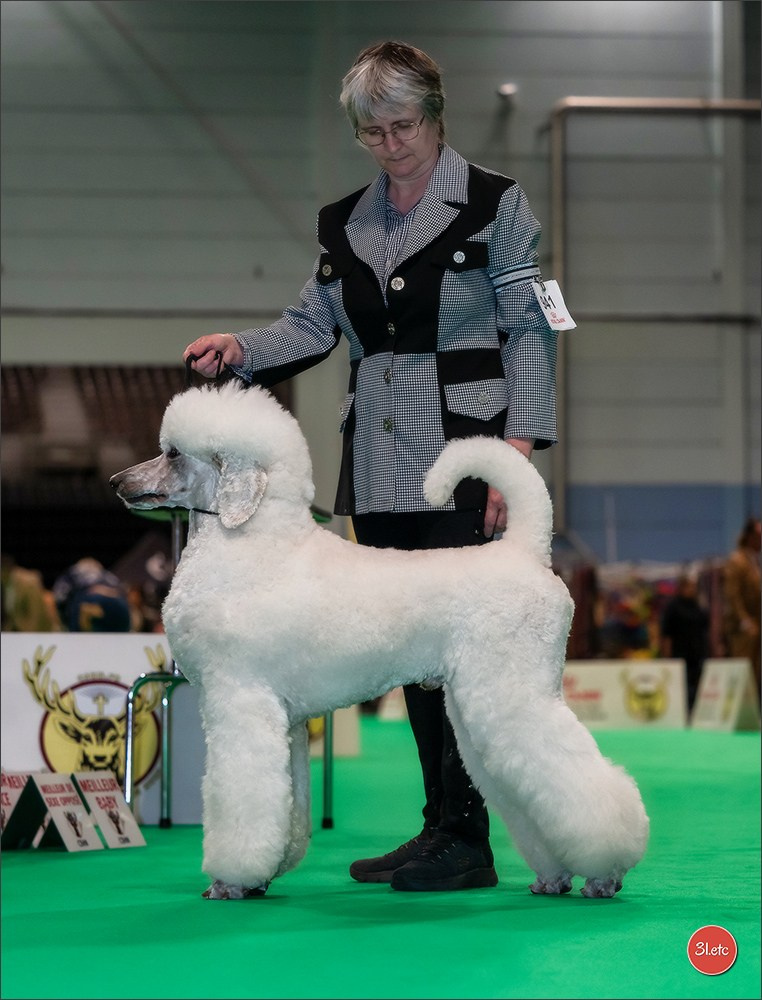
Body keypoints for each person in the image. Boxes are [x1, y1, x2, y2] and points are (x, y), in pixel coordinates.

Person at [184, 40, 560, 892]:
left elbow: (530, 329)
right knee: (409, 649)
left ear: (435, 116)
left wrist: (520, 448)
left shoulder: (496, 205)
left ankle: (470, 838)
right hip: (381, 458)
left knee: (469, 655)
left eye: (403, 126)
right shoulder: (343, 222)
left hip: (469, 451)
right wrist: (241, 347)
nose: (390, 145)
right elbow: (312, 326)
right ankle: (444, 828)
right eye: (372, 132)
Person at [722, 516, 761, 698]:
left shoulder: (754, 561)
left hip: (756, 625)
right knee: (743, 672)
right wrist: (744, 620)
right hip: (742, 629)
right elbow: (732, 595)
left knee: (755, 673)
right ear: (750, 536)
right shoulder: (737, 561)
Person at [659, 573, 710, 714]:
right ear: (682, 588)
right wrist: (667, 655)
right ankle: (681, 711)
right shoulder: (673, 607)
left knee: (697, 682)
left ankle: (695, 710)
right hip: (679, 652)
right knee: (682, 684)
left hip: (697, 652)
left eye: (694, 587)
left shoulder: (697, 606)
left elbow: (704, 627)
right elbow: (666, 633)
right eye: (690, 587)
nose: (693, 590)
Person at [52, 557, 131, 633]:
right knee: (118, 638)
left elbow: (60, 596)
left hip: (86, 599)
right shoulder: (107, 574)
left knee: (82, 640)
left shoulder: (72, 572)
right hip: (116, 602)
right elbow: (123, 591)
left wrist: (65, 620)